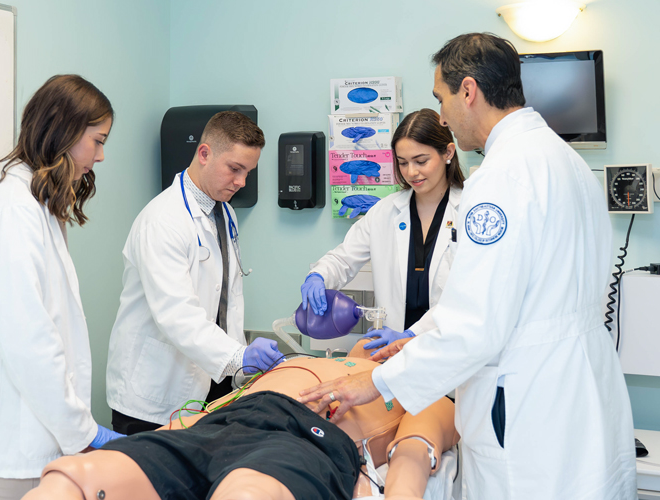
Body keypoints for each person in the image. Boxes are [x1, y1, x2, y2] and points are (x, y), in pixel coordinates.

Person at [300, 33, 636, 499]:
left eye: (442, 97)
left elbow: (475, 324)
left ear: (469, 91)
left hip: (525, 405)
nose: (444, 115)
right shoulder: (569, 163)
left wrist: (376, 382)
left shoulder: (498, 179)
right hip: (581, 390)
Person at [0, 75, 124, 500]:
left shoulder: (34, 201)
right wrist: (81, 431)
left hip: (33, 431)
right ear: (64, 131)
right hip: (14, 437)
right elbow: (29, 342)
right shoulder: (11, 210)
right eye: (97, 140)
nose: (102, 155)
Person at [22, 339, 460, 500]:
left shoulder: (415, 390)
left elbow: (414, 456)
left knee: (246, 493)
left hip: (307, 437)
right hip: (224, 422)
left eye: (406, 345)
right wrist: (167, 436)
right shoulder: (308, 360)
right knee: (74, 477)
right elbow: (207, 413)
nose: (387, 346)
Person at [106, 111, 284, 435]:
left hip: (209, 387)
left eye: (248, 172)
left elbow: (225, 302)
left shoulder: (224, 212)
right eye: (235, 169)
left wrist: (239, 372)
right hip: (153, 398)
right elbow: (178, 315)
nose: (242, 182)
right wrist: (239, 356)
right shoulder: (162, 221)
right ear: (204, 154)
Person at [301, 108, 464, 353]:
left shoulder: (468, 210)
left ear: (447, 153)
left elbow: (465, 295)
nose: (411, 172)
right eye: (402, 162)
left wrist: (413, 334)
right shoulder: (385, 211)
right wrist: (319, 276)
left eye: (421, 161)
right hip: (393, 355)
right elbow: (344, 258)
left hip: (450, 353)